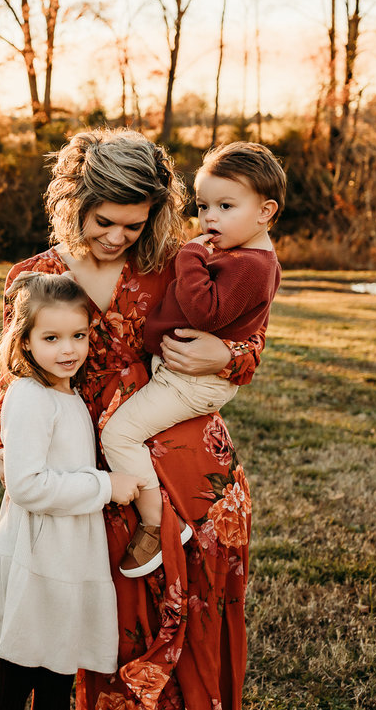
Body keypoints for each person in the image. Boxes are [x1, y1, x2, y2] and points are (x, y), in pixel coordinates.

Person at [0, 129, 264, 710]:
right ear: (72, 204)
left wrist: (231, 356)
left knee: (197, 615)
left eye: (133, 225)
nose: (117, 238)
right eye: (103, 221)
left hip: (193, 472)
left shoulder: (176, 266)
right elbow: (14, 381)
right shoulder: (33, 278)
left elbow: (249, 330)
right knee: (103, 620)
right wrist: (7, 455)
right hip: (94, 472)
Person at [0, 271, 145, 710]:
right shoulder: (29, 396)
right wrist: (106, 485)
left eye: (78, 335)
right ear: (24, 341)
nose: (68, 349)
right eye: (52, 338)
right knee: (14, 684)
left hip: (68, 557)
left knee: (57, 685)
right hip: (42, 560)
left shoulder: (67, 392)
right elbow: (27, 486)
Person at [103, 141, 285, 578]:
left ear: (265, 211)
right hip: (182, 377)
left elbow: (207, 312)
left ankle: (157, 524)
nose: (209, 219)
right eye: (204, 206)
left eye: (225, 205)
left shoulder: (252, 265)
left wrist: (191, 256)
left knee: (119, 435)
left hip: (190, 381)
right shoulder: (238, 256)